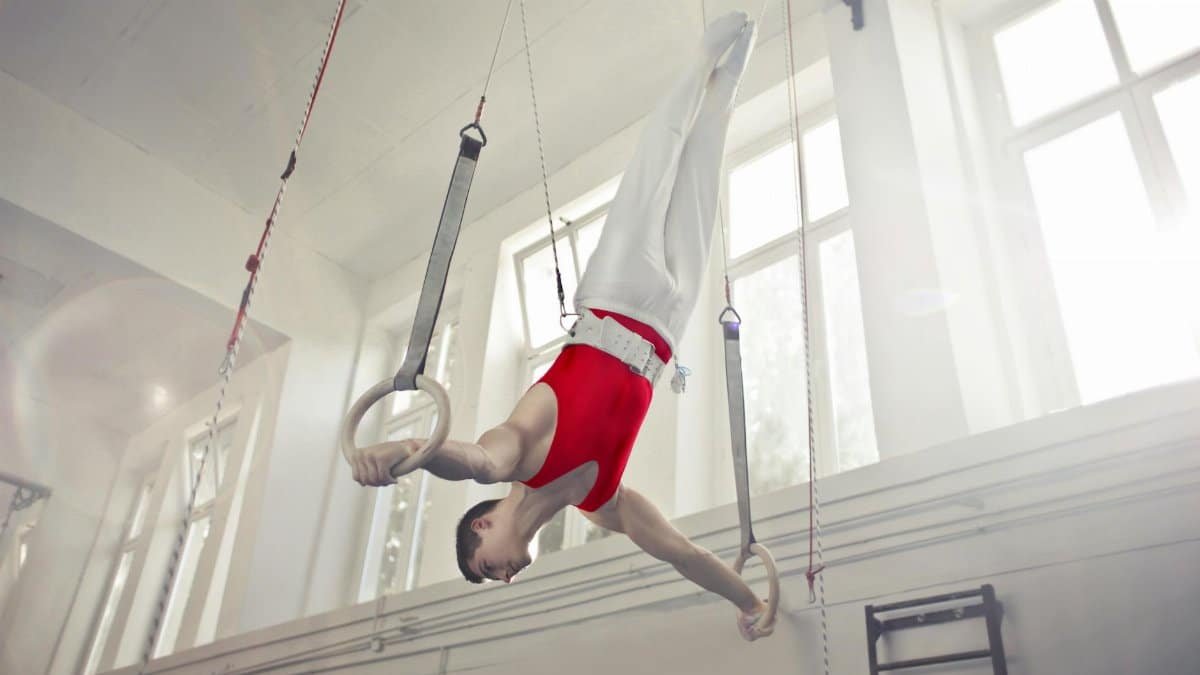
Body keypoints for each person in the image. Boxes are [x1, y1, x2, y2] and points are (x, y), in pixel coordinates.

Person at [348, 12, 773, 641]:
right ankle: (731, 72)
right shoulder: (604, 505)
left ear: (484, 527)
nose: (504, 577)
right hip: (666, 326)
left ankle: (704, 53)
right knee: (702, 173)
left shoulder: (515, 459)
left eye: (486, 569)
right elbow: (683, 554)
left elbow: (470, 461)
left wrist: (402, 455)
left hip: (614, 295)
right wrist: (748, 601)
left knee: (659, 159)